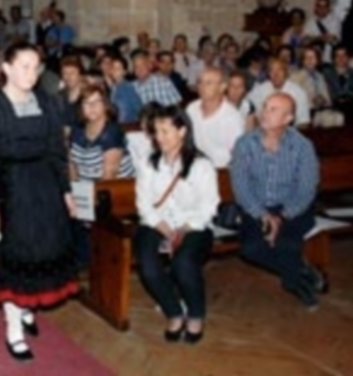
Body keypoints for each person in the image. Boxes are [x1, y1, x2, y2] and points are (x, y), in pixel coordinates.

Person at [0, 42, 80, 361]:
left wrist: (66, 191)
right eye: (24, 66)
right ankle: (13, 328)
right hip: (9, 192)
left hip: (43, 188)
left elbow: (57, 151)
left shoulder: (48, 102)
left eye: (36, 67)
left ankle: (27, 307)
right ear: (6, 68)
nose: (31, 74)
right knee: (13, 261)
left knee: (41, 253)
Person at [134, 104, 218, 344]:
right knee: (149, 266)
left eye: (165, 131)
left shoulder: (201, 165)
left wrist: (182, 230)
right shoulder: (149, 164)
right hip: (157, 223)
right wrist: (164, 229)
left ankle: (196, 313)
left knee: (184, 263)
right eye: (156, 132)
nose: (159, 137)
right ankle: (173, 311)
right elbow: (144, 205)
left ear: (182, 131)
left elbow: (208, 207)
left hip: (193, 226)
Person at [230, 93, 323, 309]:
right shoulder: (245, 144)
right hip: (257, 207)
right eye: (265, 107)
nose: (265, 113)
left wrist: (282, 217)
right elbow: (241, 187)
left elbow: (307, 187)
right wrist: (263, 215)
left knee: (286, 243)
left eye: (273, 109)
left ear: (288, 118)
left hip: (293, 207)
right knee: (250, 249)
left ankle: (297, 286)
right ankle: (303, 272)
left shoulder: (302, 146)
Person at [69, 85, 135, 180]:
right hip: (84, 189)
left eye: (96, 102)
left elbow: (109, 175)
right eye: (86, 103)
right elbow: (72, 166)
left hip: (114, 189)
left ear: (105, 105)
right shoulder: (77, 130)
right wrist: (74, 190)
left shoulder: (112, 132)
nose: (92, 107)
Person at [185, 68, 245, 168]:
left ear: (222, 87)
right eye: (200, 82)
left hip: (220, 171)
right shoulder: (191, 109)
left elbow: (237, 154)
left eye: (209, 83)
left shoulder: (232, 117)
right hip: (193, 168)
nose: (202, 87)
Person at [247, 59, 311, 127]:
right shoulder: (258, 90)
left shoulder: (298, 92)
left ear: (286, 72)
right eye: (272, 71)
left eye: (280, 70)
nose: (276, 74)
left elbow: (303, 122)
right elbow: (248, 111)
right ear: (268, 73)